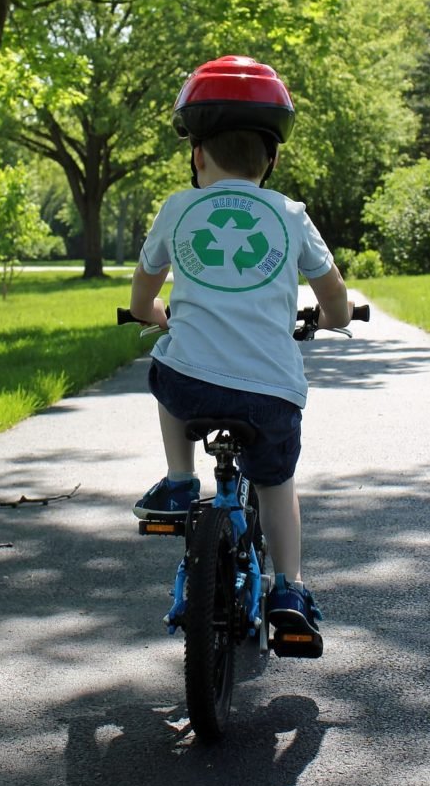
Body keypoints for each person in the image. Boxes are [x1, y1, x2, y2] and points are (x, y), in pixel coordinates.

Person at [128, 55, 352, 657]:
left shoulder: (178, 209)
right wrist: (332, 321)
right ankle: (290, 590)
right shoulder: (290, 215)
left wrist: (156, 315)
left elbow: (144, 290)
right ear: (271, 159)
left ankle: (179, 482)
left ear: (197, 155)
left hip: (193, 387)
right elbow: (332, 293)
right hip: (271, 391)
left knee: (166, 367)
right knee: (276, 481)